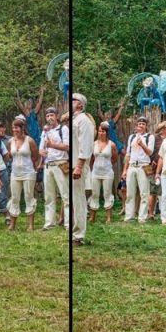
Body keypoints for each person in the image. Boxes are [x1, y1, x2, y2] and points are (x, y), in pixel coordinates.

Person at [8, 117, 40, 231]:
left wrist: (33, 167)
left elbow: (36, 156)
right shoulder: (10, 141)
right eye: (13, 128)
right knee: (15, 197)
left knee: (28, 196)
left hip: (28, 172)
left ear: (22, 128)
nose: (14, 130)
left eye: (16, 127)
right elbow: (9, 156)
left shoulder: (29, 140)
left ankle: (30, 225)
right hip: (15, 173)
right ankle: (12, 224)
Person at [41, 107, 70, 230]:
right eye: (47, 116)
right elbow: (41, 148)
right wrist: (42, 151)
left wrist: (52, 145)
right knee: (49, 196)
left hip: (60, 164)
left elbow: (67, 147)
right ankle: (49, 223)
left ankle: (68, 224)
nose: (49, 118)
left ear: (56, 116)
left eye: (52, 115)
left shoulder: (63, 129)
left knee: (65, 195)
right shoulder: (45, 131)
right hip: (48, 165)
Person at [71, 93, 95, 245]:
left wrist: (79, 166)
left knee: (78, 200)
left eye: (73, 100)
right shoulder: (74, 120)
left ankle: (79, 235)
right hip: (71, 164)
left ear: (80, 104)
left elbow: (85, 146)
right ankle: (74, 231)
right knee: (73, 200)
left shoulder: (84, 120)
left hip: (77, 165)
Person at [121, 116, 155, 223]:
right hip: (132, 166)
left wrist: (142, 144)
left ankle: (142, 217)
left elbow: (150, 152)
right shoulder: (131, 137)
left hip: (143, 166)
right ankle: (129, 216)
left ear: (146, 126)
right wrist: (125, 170)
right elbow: (128, 154)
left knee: (144, 193)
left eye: (143, 124)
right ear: (136, 125)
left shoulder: (149, 137)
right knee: (130, 193)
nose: (141, 125)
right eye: (139, 124)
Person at [89, 122, 117, 224]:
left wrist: (107, 165)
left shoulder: (111, 144)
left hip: (107, 173)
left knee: (107, 193)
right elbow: (91, 158)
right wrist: (93, 168)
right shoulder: (94, 144)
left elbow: (114, 158)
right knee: (95, 193)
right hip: (95, 172)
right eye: (100, 131)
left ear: (107, 132)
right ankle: (92, 216)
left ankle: (108, 217)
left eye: (103, 131)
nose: (101, 133)